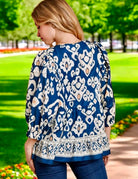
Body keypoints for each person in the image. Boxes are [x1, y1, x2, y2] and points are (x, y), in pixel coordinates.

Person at [24, 0, 115, 178]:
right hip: (91, 144)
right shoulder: (97, 52)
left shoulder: (45, 58)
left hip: (50, 146)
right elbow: (107, 98)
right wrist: (105, 139)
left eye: (39, 26)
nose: (38, 33)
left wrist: (30, 141)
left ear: (52, 21)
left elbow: (39, 104)